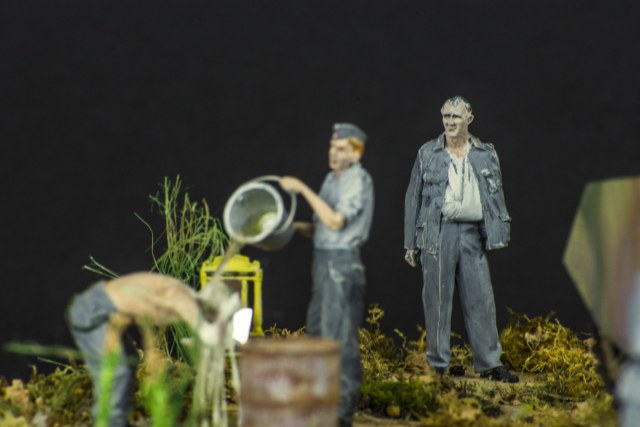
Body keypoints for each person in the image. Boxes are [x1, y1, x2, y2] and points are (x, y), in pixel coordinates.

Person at [404, 96, 518, 383]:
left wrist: (497, 229)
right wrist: (410, 242)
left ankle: (489, 363)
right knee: (437, 300)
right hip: (438, 232)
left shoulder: (485, 153)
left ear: (470, 119)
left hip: (472, 234)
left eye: (456, 116)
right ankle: (437, 364)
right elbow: (412, 197)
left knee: (481, 298)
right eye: (446, 116)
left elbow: (496, 194)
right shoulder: (427, 153)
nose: (450, 122)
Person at [279, 123, 374, 427]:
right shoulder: (331, 180)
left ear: (356, 154)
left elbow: (334, 221)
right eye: (332, 147)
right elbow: (319, 228)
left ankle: (342, 412)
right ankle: (320, 406)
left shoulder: (357, 180)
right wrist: (287, 227)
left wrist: (303, 189)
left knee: (338, 339)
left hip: (341, 266)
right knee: (318, 332)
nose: (334, 153)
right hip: (323, 264)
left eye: (342, 149)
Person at [67, 272, 223, 427]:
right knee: (116, 370)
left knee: (129, 360)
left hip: (103, 309)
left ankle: (119, 416)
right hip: (93, 310)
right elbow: (185, 308)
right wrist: (207, 333)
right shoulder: (183, 298)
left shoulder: (180, 294)